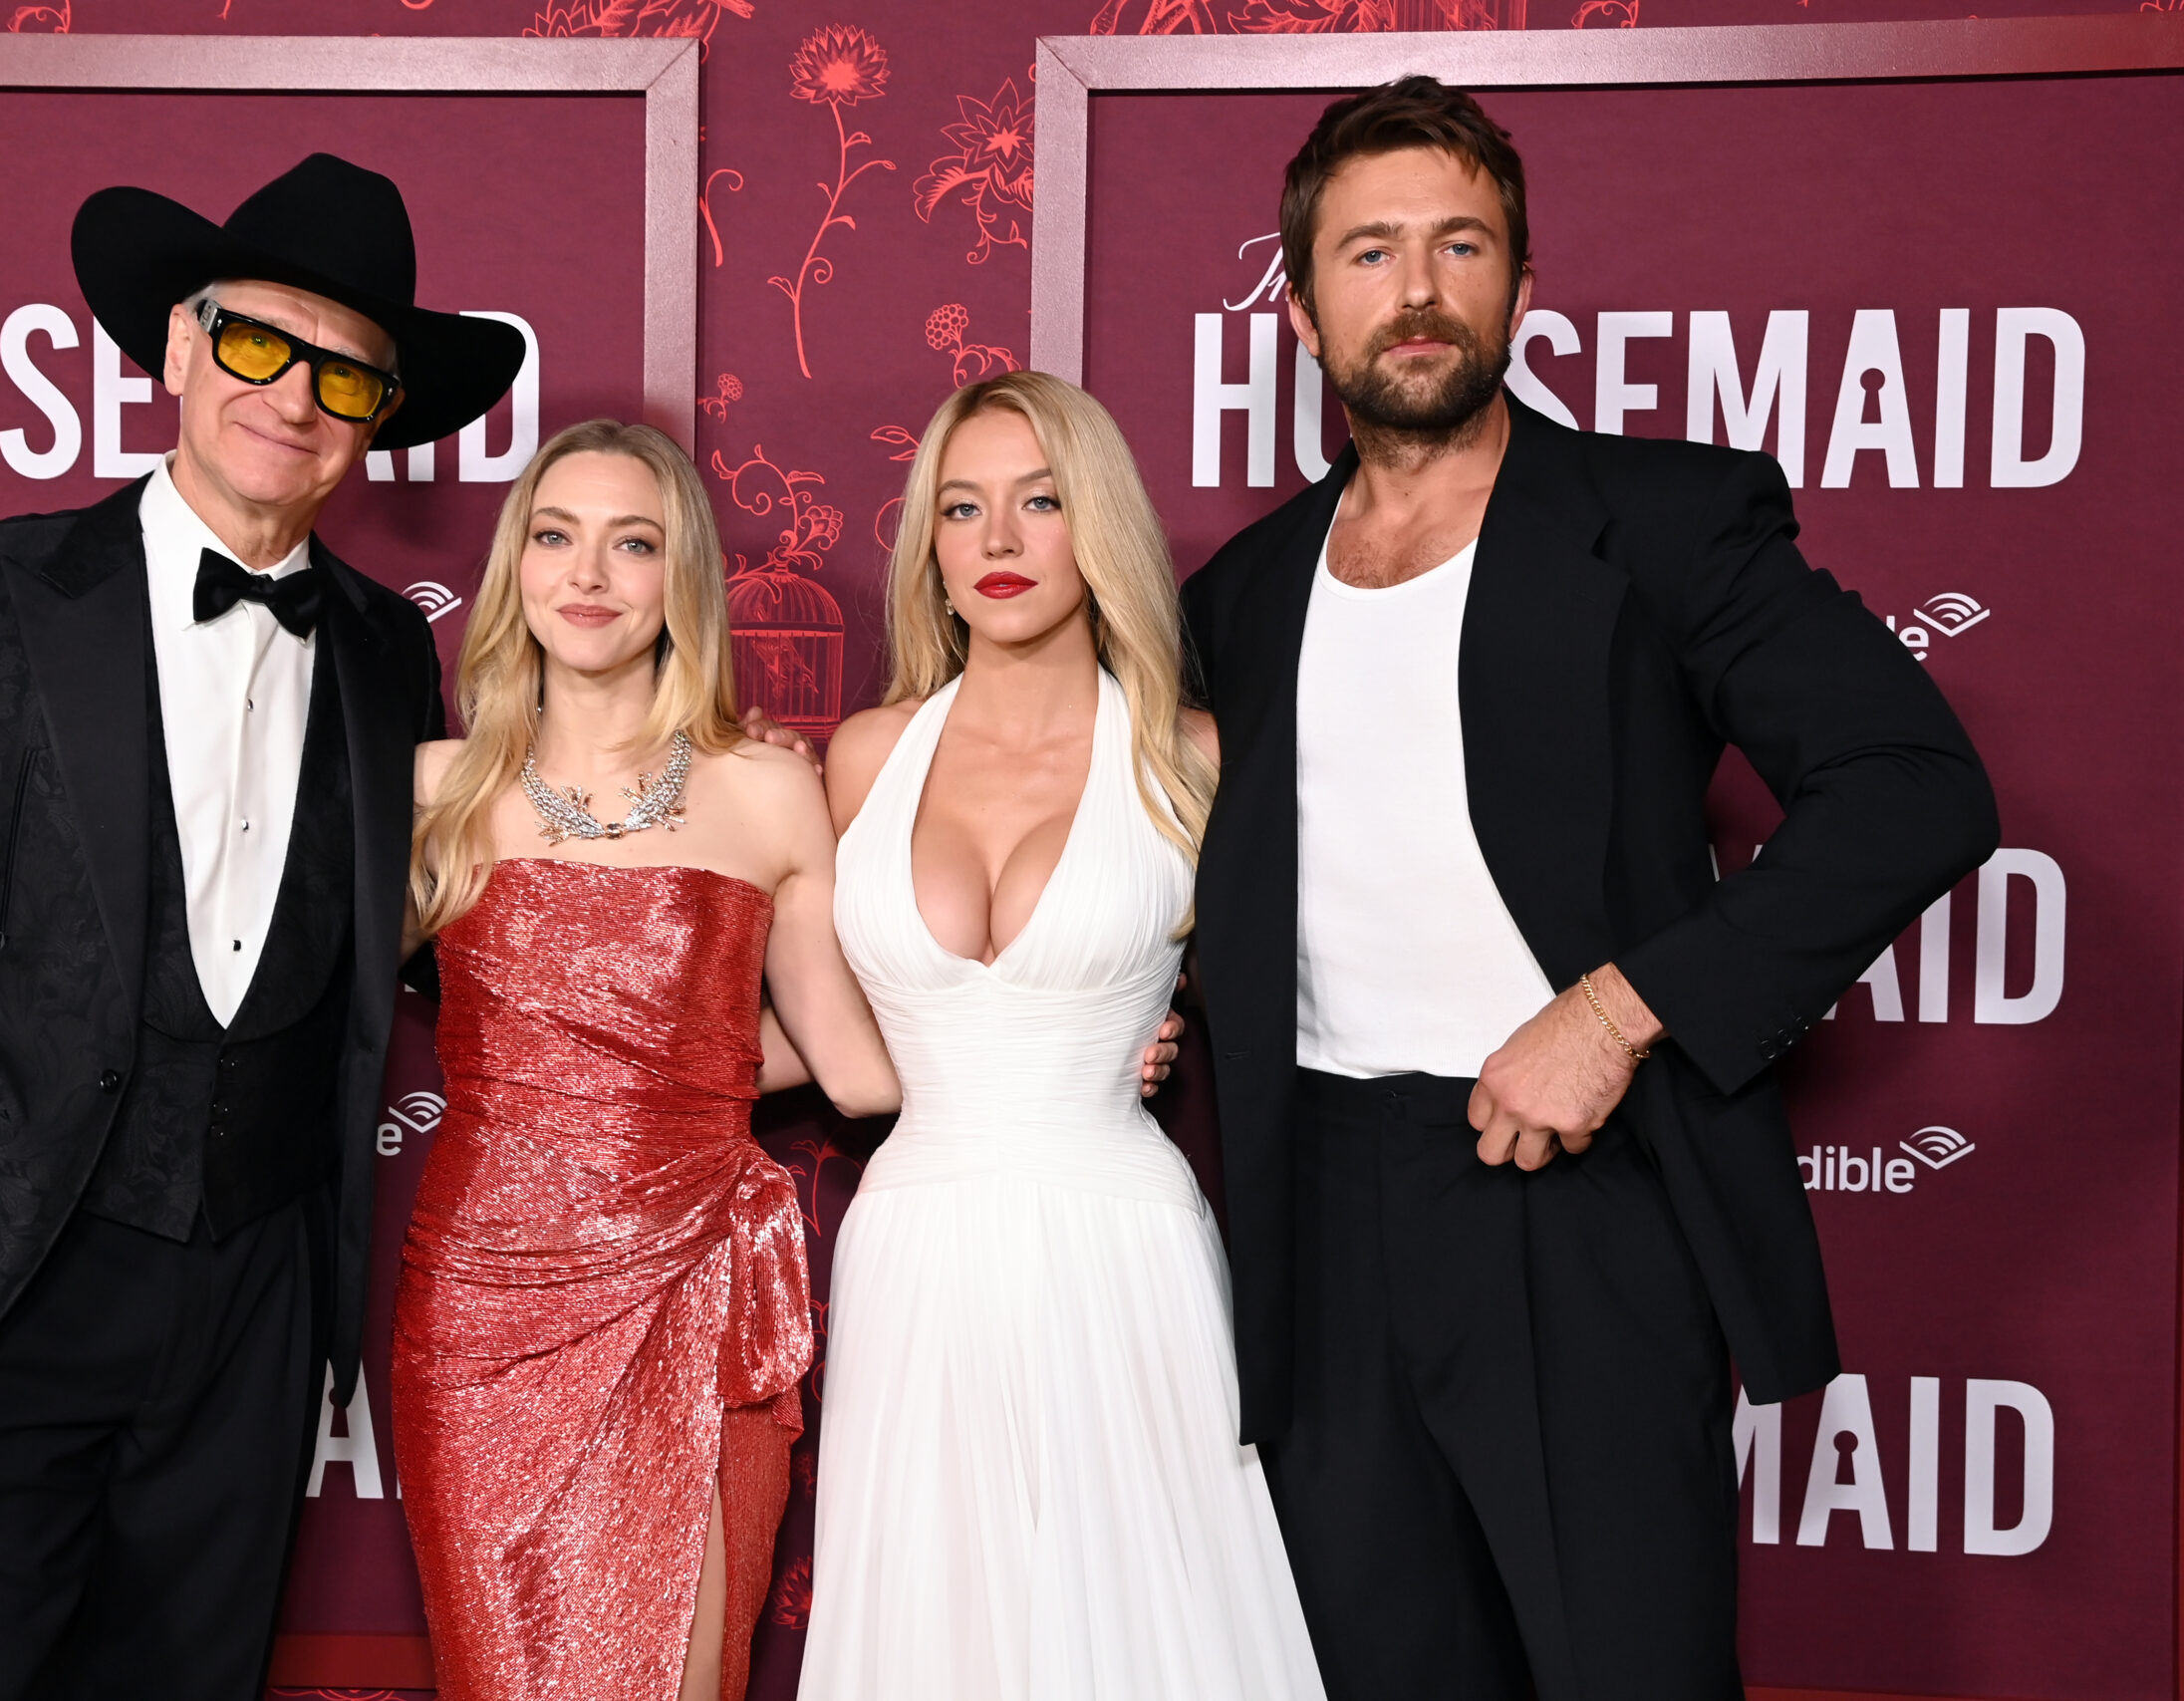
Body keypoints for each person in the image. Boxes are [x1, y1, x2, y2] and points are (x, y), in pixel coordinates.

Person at [1183, 78, 1999, 1700]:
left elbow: (1915, 788)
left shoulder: (1669, 523)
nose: (1414, 290)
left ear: (1522, 290)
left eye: (1458, 244)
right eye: (1366, 253)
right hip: (1318, 1228)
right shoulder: (1239, 594)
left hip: (1577, 1194)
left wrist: (1624, 1012)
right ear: (1297, 311)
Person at [0, 154, 524, 1699]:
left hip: (241, 1328)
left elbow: (443, 941)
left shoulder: (381, 655)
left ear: (377, 421)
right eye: (253, 342)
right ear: (173, 345)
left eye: (344, 372)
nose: (291, 396)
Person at [796, 372, 1326, 1701]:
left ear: (1100, 527)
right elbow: (809, 1018)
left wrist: (1164, 1020)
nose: (1000, 540)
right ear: (929, 540)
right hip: (916, 1245)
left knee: (1152, 1630)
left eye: (1041, 502)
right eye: (964, 507)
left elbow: (1291, 990)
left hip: (1124, 1243)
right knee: (936, 1630)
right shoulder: (866, 754)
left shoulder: (1192, 757)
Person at [392, 420, 902, 1701]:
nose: (590, 575)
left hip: (686, 1292)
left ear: (683, 581)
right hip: (480, 1315)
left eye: (635, 544)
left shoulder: (768, 792)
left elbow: (856, 1072)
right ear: (515, 567)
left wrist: (1069, 1042)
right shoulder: (434, 794)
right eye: (556, 537)